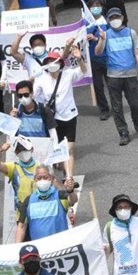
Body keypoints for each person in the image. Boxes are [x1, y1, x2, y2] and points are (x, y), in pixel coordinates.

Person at [31, 44, 88, 178]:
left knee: (69, 149)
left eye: (55, 61)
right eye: (49, 62)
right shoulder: (41, 79)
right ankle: (63, 168)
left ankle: (69, 177)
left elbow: (83, 71)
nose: (52, 64)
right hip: (52, 119)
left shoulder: (68, 74)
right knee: (58, 149)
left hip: (69, 115)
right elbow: (33, 96)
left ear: (60, 63)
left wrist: (80, 59)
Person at [94, 8, 138, 146]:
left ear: (122, 17)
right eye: (111, 18)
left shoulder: (131, 32)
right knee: (117, 108)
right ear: (108, 20)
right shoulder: (106, 34)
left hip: (130, 75)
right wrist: (101, 39)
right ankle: (123, 133)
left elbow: (137, 52)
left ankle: (136, 119)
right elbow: (98, 52)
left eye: (117, 17)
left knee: (135, 104)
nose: (114, 20)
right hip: (113, 76)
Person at [16, 164, 77, 242]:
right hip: (39, 249)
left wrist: (70, 191)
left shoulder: (60, 196)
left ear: (51, 178)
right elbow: (21, 227)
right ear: (35, 179)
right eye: (39, 178)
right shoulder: (28, 200)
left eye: (45, 177)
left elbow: (73, 200)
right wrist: (17, 247)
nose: (42, 180)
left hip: (60, 246)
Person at [0, 135, 40, 223]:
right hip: (22, 214)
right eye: (19, 151)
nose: (22, 153)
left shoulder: (40, 167)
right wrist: (0, 151)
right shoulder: (13, 167)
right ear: (16, 154)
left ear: (31, 149)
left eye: (25, 149)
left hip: (39, 212)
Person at [85, 0, 110, 120]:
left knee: (112, 85)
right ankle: (104, 109)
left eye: (98, 6)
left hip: (107, 58)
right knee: (98, 86)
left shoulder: (107, 23)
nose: (95, 8)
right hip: (93, 60)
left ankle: (116, 106)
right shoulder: (85, 23)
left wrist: (96, 38)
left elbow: (111, 40)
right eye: (93, 6)